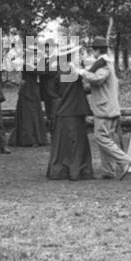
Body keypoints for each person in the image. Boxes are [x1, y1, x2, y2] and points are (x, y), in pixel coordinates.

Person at [76, 36, 131, 179]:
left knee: (101, 138)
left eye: (93, 50)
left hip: (104, 108)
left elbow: (98, 79)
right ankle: (108, 171)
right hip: (109, 106)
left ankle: (124, 160)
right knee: (108, 139)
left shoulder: (104, 64)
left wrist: (82, 72)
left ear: (97, 50)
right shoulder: (106, 63)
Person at [45, 45, 94, 180]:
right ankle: (77, 169)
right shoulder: (73, 73)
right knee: (76, 143)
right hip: (74, 111)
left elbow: (51, 90)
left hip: (62, 111)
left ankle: (60, 169)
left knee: (62, 144)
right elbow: (80, 90)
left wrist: (60, 100)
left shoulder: (58, 71)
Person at [10, 69, 47, 146]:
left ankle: (33, 138)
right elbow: (40, 71)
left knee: (31, 113)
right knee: (28, 114)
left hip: (31, 87)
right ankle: (29, 139)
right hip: (28, 88)